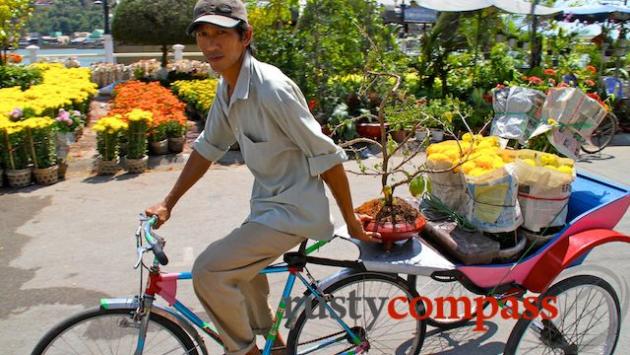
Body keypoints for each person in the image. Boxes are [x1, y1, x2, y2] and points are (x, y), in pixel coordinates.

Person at [145, 1, 381, 354]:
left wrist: (351, 222)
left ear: (245, 37)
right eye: (204, 35)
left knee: (208, 271)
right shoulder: (228, 88)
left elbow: (328, 158)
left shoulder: (271, 90)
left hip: (295, 212)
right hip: (267, 207)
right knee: (242, 273)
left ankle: (245, 351)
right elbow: (208, 147)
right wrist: (168, 203)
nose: (211, 45)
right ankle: (276, 345)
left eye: (221, 34)